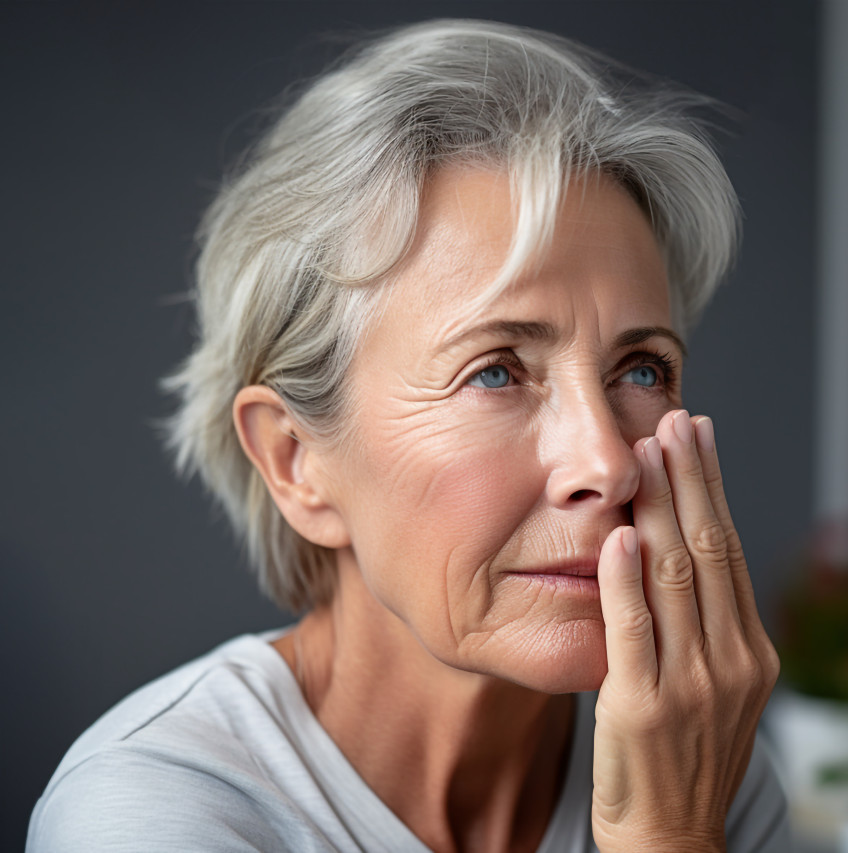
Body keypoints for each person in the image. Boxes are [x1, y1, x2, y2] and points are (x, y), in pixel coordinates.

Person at [28, 18, 786, 853]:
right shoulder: (154, 810)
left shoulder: (703, 763)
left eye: (642, 369)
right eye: (495, 370)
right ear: (296, 461)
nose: (607, 463)